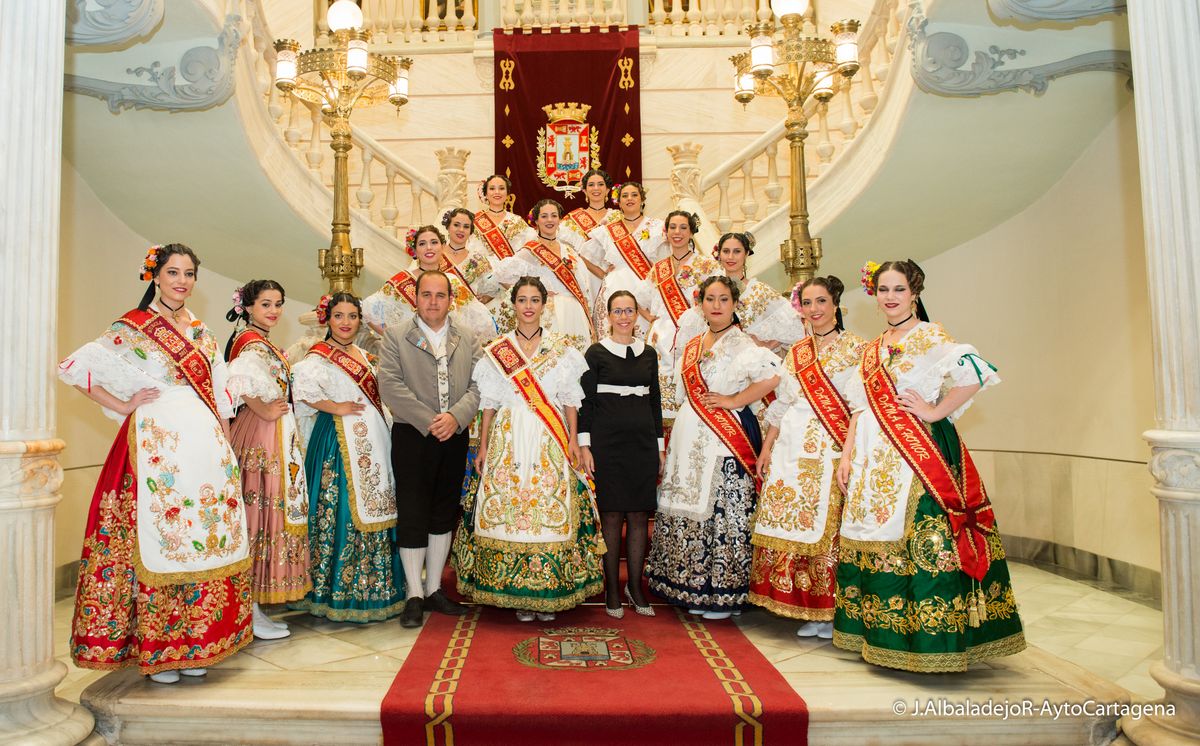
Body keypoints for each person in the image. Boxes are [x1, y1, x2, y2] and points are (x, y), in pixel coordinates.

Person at [56, 243, 252, 684]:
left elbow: (220, 392)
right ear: (155, 276)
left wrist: (224, 442)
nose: (181, 281)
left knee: (202, 534)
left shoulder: (202, 332)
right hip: (156, 441)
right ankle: (159, 646)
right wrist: (123, 403)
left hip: (203, 443)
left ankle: (197, 641)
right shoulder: (132, 328)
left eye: (188, 274)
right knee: (162, 536)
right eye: (173, 272)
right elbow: (75, 369)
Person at [833, 260, 1025, 672]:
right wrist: (847, 454)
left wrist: (935, 412)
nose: (890, 297)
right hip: (871, 454)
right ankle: (879, 636)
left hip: (916, 455)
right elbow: (859, 408)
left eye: (898, 289)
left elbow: (975, 373)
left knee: (922, 542)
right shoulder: (873, 348)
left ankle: (927, 643)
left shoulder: (931, 336)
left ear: (914, 292)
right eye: (883, 289)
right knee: (874, 538)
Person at [452, 277, 606, 621]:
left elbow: (570, 401)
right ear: (513, 304)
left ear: (543, 305)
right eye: (522, 300)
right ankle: (515, 593)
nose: (528, 306)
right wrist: (483, 446)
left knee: (549, 512)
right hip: (509, 437)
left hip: (548, 440)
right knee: (509, 511)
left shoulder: (562, 348)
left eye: (535, 300)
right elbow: (488, 404)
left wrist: (572, 440)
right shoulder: (498, 350)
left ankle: (549, 587)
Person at [647, 275, 781, 619]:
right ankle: (687, 586)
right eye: (710, 299)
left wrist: (735, 399)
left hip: (724, 437)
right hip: (690, 431)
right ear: (701, 304)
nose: (717, 306)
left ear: (734, 304)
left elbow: (774, 377)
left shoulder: (742, 344)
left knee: (720, 507)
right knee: (685, 499)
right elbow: (680, 396)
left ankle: (721, 591)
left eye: (724, 299)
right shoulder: (691, 345)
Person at [749, 276, 863, 638]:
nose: (814, 310)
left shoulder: (858, 348)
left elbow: (860, 407)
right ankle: (802, 605)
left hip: (831, 446)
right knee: (792, 522)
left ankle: (829, 611)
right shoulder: (797, 352)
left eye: (821, 302)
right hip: (791, 449)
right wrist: (766, 449)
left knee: (826, 530)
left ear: (836, 305)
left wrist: (850, 452)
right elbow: (781, 406)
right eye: (808, 303)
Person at [292, 293, 406, 622]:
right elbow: (302, 387)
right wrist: (335, 407)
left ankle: (376, 588)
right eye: (339, 315)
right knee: (338, 509)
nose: (346, 322)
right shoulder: (320, 356)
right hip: (337, 443)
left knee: (377, 504)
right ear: (327, 319)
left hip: (373, 441)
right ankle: (335, 591)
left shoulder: (363, 355)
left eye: (353, 316)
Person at [377, 271, 482, 628]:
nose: (433, 301)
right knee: (413, 510)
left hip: (454, 435)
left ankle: (435, 589)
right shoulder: (396, 336)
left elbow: (478, 386)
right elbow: (389, 385)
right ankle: (413, 593)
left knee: (443, 509)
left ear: (451, 299)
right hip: (412, 436)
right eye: (426, 294)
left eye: (440, 295)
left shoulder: (466, 337)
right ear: (415, 298)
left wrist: (455, 417)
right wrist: (430, 419)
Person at [225, 279, 310, 640]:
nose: (273, 311)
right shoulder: (249, 342)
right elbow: (236, 381)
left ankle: (255, 606)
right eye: (265, 304)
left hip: (273, 432)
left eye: (277, 304)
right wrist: (263, 408)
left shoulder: (262, 341)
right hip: (261, 433)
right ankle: (250, 609)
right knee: (260, 513)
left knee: (269, 511)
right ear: (248, 307)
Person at [579, 290, 664, 618]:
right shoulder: (596, 353)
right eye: (618, 311)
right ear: (609, 316)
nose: (625, 317)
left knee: (640, 516)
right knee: (612, 515)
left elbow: (654, 400)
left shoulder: (649, 354)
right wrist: (585, 445)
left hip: (642, 442)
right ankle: (612, 587)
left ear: (636, 315)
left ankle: (635, 587)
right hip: (606, 443)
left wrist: (659, 447)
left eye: (630, 310)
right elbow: (585, 401)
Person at [636, 210, 721, 424]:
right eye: (673, 227)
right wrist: (653, 320)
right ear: (666, 232)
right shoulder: (658, 268)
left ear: (692, 232)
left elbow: (719, 301)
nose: (677, 232)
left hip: (694, 336)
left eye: (683, 227)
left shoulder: (706, 265)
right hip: (661, 338)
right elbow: (640, 301)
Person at [676, 231, 805, 352]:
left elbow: (793, 324)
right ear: (719, 254)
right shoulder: (710, 289)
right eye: (726, 251)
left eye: (737, 251)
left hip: (747, 365)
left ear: (746, 254)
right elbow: (693, 329)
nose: (730, 257)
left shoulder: (759, 291)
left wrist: (766, 345)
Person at [362, 225, 495, 342]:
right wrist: (399, 342)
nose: (429, 248)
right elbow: (368, 311)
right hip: (414, 356)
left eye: (434, 242)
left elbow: (480, 321)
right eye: (422, 244)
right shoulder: (402, 280)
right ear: (414, 251)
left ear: (442, 247)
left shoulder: (452, 281)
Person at [493, 199, 595, 350]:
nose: (549, 220)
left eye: (554, 216)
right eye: (544, 216)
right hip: (548, 312)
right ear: (536, 221)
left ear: (560, 220)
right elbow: (501, 275)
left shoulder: (569, 251)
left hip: (574, 313)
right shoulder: (530, 251)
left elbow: (584, 286)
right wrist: (535, 294)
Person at [579, 181, 666, 338]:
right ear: (618, 202)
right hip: (615, 286)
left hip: (646, 287)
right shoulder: (608, 230)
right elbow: (583, 255)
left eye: (634, 195)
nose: (629, 199)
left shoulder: (657, 226)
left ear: (642, 199)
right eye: (624, 196)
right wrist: (602, 273)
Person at [440, 207, 503, 309]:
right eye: (456, 225)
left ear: (470, 231)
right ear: (448, 227)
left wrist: (487, 297)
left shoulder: (477, 258)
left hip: (469, 317)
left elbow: (493, 288)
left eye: (466, 227)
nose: (461, 230)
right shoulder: (435, 256)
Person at [469, 174, 535, 262]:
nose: (497, 192)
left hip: (511, 272)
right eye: (492, 188)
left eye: (501, 188)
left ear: (507, 193)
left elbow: (527, 250)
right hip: (482, 273)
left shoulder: (516, 221)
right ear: (486, 193)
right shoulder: (475, 220)